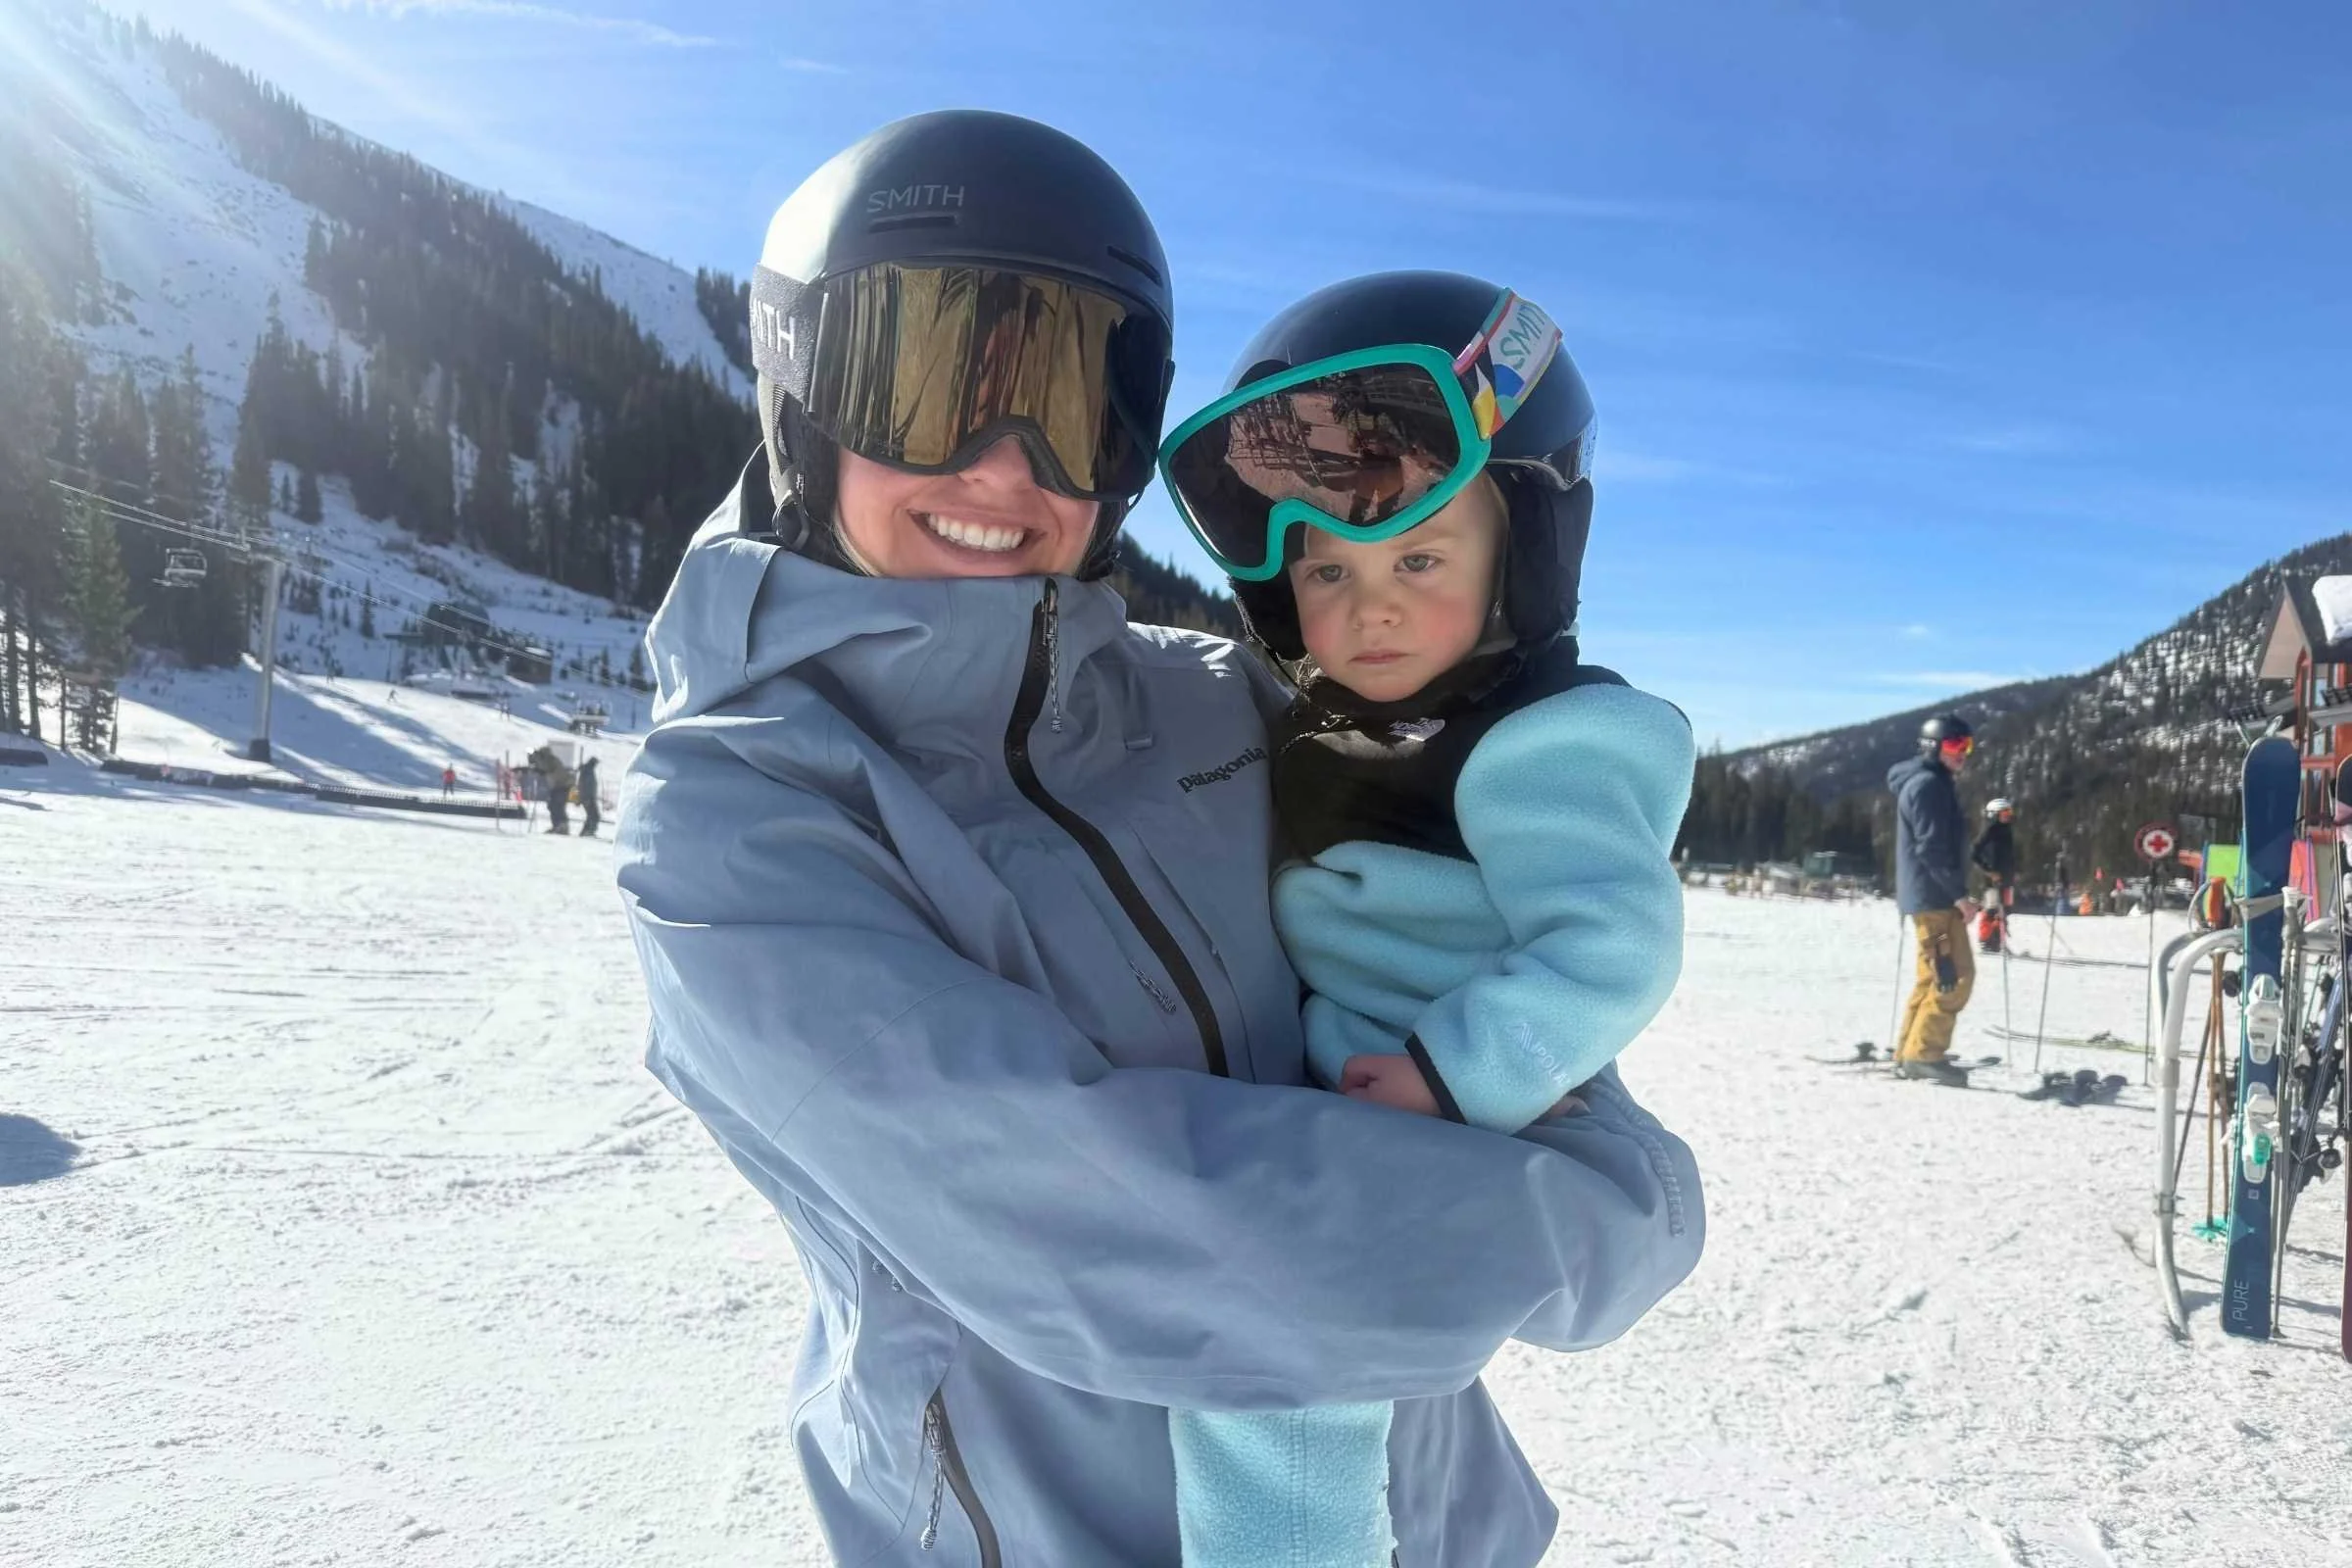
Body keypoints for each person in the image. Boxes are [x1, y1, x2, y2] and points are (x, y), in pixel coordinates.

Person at [615, 111, 1703, 1568]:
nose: (1004, 468)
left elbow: (1505, 976)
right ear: (801, 390)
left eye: (1072, 403)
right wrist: (1614, 1216)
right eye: (931, 381)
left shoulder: (1223, 710)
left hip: (1432, 1525)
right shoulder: (734, 832)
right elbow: (1142, 1245)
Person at [1158, 271, 1694, 1567]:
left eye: (1419, 557)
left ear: (1527, 552)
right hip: (1357, 1087)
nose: (1370, 605)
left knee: (1284, 1367)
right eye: (1327, 572)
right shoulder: (1342, 720)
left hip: (1423, 1099)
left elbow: (1613, 945)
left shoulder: (1538, 744)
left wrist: (1461, 1075)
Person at [1886, 714, 1981, 1082]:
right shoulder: (1927, 786)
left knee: (1933, 977)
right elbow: (1931, 848)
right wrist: (1959, 896)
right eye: (1957, 746)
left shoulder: (1932, 783)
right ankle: (1923, 1054)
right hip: (1935, 899)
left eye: (1968, 747)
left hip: (1933, 897)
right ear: (1933, 747)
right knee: (1953, 976)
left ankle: (1910, 1049)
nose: (1964, 755)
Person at [1973, 797, 2017, 952]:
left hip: (2007, 879)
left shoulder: (2007, 831)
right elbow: (1974, 853)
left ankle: (1998, 941)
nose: (2008, 816)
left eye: (2009, 812)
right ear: (1994, 814)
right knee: (1992, 909)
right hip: (1992, 880)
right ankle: (1986, 940)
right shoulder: (1990, 831)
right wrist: (1989, 871)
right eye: (2004, 813)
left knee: (2005, 911)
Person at [528, 744, 571, 835]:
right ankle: (557, 826)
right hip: (557, 786)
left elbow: (546, 768)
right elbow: (543, 770)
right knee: (552, 805)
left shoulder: (551, 759)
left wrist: (537, 760)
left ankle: (562, 826)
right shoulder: (549, 760)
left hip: (562, 785)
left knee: (558, 806)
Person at [575, 754, 601, 839]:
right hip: (588, 797)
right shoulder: (588, 771)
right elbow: (585, 786)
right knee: (595, 815)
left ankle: (585, 831)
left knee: (591, 815)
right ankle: (589, 831)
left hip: (588, 796)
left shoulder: (587, 770)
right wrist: (584, 797)